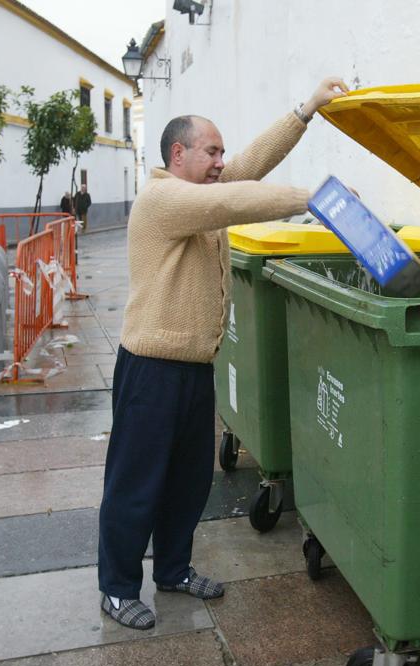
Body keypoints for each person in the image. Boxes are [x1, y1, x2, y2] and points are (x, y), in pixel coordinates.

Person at [98, 76, 350, 629]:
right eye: (211, 151)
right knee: (135, 486)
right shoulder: (164, 198)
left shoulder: (200, 193)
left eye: (221, 152)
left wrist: (307, 109)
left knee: (188, 483)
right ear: (178, 153)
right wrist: (313, 199)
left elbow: (250, 168)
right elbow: (238, 198)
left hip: (192, 369)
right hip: (151, 368)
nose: (221, 161)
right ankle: (117, 589)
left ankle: (173, 570)